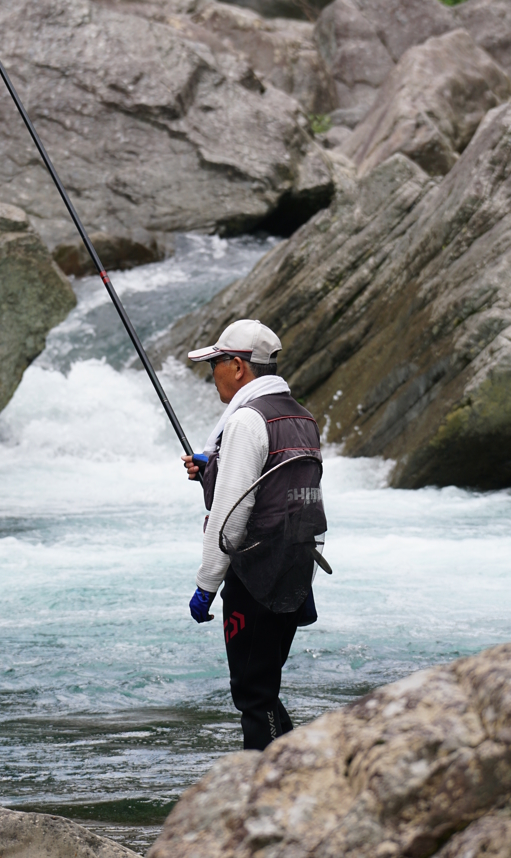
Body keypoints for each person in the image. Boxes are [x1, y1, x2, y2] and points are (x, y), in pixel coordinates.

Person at [182, 318, 325, 751]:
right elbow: (279, 490)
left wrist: (206, 584)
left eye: (216, 365)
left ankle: (272, 786)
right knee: (263, 687)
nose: (213, 376)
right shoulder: (300, 415)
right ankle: (290, 775)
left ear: (239, 367)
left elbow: (231, 513)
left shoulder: (246, 420)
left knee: (252, 692)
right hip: (295, 571)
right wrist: (216, 468)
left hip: (256, 578)